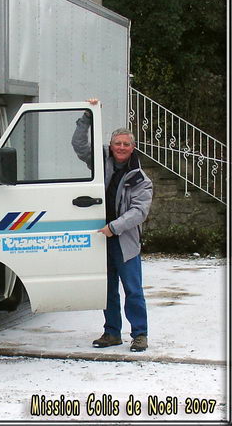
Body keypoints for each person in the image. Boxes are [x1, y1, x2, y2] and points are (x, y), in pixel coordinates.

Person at [72, 99, 153, 352]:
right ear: (111, 144)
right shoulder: (100, 160)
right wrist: (87, 116)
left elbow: (139, 212)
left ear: (133, 147)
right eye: (117, 143)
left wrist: (114, 228)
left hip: (124, 241)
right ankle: (111, 333)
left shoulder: (141, 179)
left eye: (126, 144)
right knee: (107, 290)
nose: (121, 147)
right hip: (102, 238)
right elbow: (79, 144)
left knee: (133, 290)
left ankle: (139, 334)